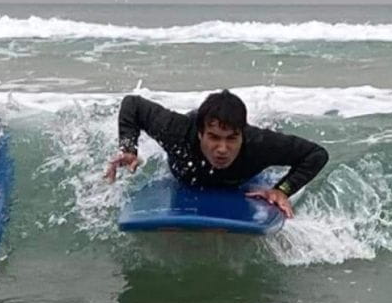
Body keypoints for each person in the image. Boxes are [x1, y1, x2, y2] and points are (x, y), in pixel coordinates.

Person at [104, 89, 328, 218]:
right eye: (214, 137)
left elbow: (316, 154)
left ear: (242, 135)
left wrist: (282, 190)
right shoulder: (177, 131)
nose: (222, 149)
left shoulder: (259, 144)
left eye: (231, 139)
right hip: (184, 173)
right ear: (201, 134)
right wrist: (129, 149)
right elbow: (132, 104)